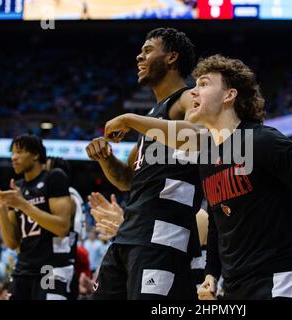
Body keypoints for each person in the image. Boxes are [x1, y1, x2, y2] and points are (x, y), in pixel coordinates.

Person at [103, 54, 292, 300]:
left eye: (203, 84)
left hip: (282, 279)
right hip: (235, 285)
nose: (193, 92)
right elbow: (216, 219)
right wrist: (212, 274)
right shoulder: (208, 156)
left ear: (229, 95)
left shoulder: (264, 141)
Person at [85, 28, 203, 300]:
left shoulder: (187, 98)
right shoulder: (153, 117)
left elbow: (198, 137)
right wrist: (105, 157)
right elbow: (127, 179)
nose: (139, 56)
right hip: (131, 234)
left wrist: (129, 119)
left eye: (148, 50)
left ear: (171, 57)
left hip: (163, 236)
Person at [0, 134, 77, 300]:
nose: (14, 157)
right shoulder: (17, 187)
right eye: (12, 153)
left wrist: (23, 204)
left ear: (35, 155)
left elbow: (62, 228)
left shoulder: (54, 177)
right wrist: (1, 211)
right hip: (23, 267)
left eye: (19, 152)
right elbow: (12, 243)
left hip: (52, 267)